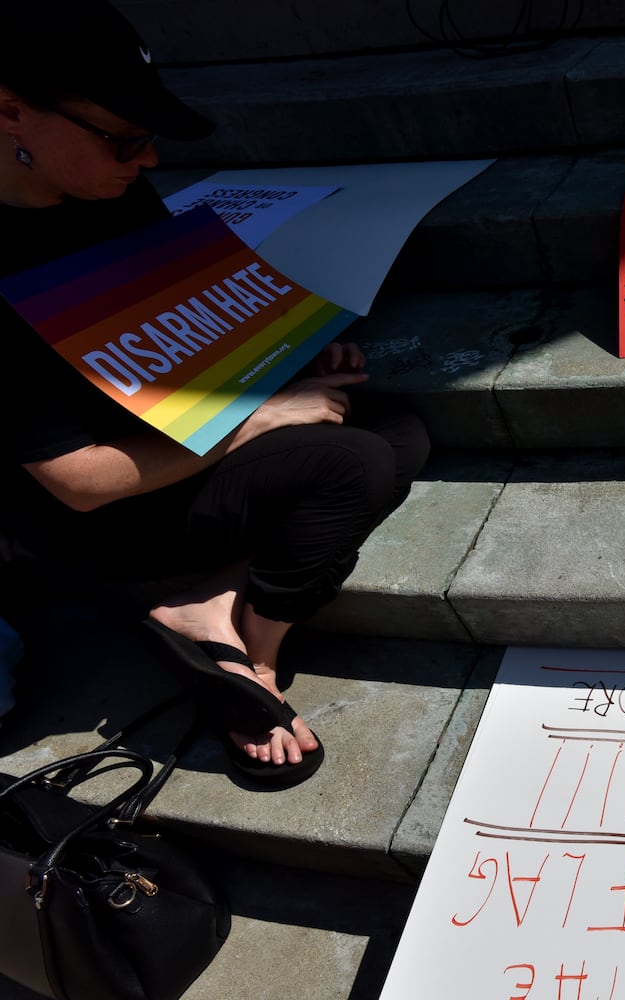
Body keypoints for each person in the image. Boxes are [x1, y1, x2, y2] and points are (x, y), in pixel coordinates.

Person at [0, 0, 429, 786]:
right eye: (122, 137)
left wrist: (275, 354)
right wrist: (257, 415)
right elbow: (80, 484)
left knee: (395, 431)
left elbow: (177, 325)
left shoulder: (107, 190)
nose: (150, 159)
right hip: (97, 522)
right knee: (353, 463)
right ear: (11, 111)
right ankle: (254, 655)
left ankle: (212, 600)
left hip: (165, 439)